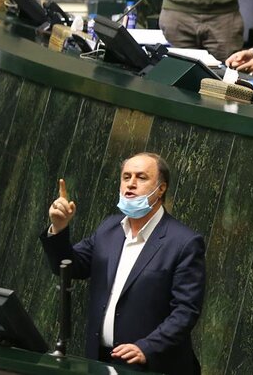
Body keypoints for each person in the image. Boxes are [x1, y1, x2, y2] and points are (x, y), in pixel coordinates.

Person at [40, 153, 205, 375]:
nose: (131, 184)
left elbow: (186, 311)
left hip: (152, 365)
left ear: (161, 188)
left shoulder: (184, 242)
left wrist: (147, 347)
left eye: (141, 177)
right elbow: (68, 267)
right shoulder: (109, 229)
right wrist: (59, 228)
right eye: (126, 177)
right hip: (100, 361)